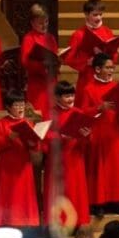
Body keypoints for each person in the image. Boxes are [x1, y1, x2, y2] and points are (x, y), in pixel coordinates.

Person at [78, 54, 119, 217]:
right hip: (98, 134)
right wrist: (98, 108)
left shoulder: (117, 86)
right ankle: (98, 203)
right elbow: (81, 113)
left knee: (116, 169)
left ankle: (116, 202)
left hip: (115, 133)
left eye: (112, 68)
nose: (111, 71)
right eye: (108, 68)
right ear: (97, 69)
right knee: (99, 170)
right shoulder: (88, 88)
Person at [0, 93, 42, 226]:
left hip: (23, 164)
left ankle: (24, 222)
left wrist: (34, 142)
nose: (20, 108)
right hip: (6, 166)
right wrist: (9, 138)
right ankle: (3, 223)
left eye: (22, 104)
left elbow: (34, 147)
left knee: (23, 195)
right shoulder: (1, 123)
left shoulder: (28, 123)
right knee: (5, 194)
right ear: (8, 107)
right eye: (17, 105)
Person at [49, 81, 92, 228]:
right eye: (67, 96)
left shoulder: (79, 113)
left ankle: (77, 222)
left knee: (76, 190)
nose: (70, 99)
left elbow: (85, 139)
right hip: (58, 159)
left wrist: (86, 135)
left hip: (75, 158)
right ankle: (59, 222)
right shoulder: (51, 113)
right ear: (57, 98)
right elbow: (45, 135)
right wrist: (61, 137)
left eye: (72, 95)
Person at [65, 0, 118, 95]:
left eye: (100, 14)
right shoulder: (79, 34)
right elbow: (69, 59)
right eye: (95, 15)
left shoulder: (107, 31)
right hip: (87, 79)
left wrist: (106, 57)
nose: (98, 18)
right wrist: (86, 62)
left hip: (104, 77)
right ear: (86, 14)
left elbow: (114, 55)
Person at [19, 3, 59, 119]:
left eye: (46, 22)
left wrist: (57, 62)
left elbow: (55, 57)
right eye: (40, 23)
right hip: (37, 84)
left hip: (51, 81)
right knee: (39, 114)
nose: (44, 25)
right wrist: (42, 65)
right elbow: (25, 61)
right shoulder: (29, 38)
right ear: (32, 23)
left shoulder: (50, 38)